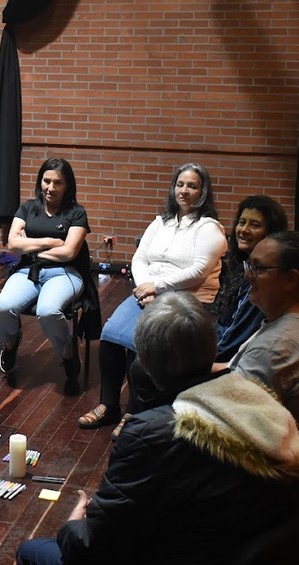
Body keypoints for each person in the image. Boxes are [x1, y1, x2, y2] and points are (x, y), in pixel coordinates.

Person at [15, 293, 299, 565]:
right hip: (232, 542)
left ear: (145, 363)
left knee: (32, 550)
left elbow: (90, 549)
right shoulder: (255, 399)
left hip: (185, 552)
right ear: (211, 347)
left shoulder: (150, 434)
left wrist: (73, 524)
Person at [77, 163, 225, 433]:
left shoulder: (209, 229)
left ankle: (133, 413)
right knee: (109, 335)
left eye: (192, 186)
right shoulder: (161, 222)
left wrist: (155, 286)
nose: (184, 190)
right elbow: (139, 257)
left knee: (140, 345)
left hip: (185, 299)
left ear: (203, 192)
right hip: (147, 293)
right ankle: (109, 406)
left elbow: (197, 272)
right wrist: (146, 285)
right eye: (180, 184)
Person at [0, 157, 100, 394]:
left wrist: (29, 245)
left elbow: (70, 252)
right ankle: (10, 344)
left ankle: (67, 352)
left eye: (57, 183)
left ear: (67, 186)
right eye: (46, 181)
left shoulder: (76, 213)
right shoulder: (27, 208)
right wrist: (50, 242)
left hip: (65, 273)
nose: (50, 188)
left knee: (48, 311)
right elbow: (12, 243)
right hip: (27, 271)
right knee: (2, 307)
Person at [215, 230, 299, 428]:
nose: (247, 276)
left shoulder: (277, 348)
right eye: (249, 265)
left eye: (257, 268)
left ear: (290, 279)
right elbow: (234, 371)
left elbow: (224, 422)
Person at [211, 195, 289, 362]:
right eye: (242, 222)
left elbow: (230, 343)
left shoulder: (261, 278)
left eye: (254, 225)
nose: (244, 230)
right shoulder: (241, 266)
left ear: (271, 233)